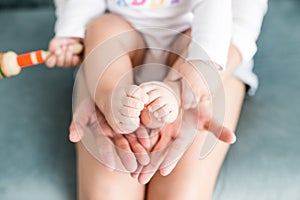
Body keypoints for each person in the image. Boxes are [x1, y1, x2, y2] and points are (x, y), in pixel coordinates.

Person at [46, 0, 268, 199]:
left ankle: (173, 92)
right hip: (125, 34)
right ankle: (113, 96)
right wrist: (72, 33)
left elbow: (217, 18)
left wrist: (202, 69)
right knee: (104, 28)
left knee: (201, 53)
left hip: (193, 35)